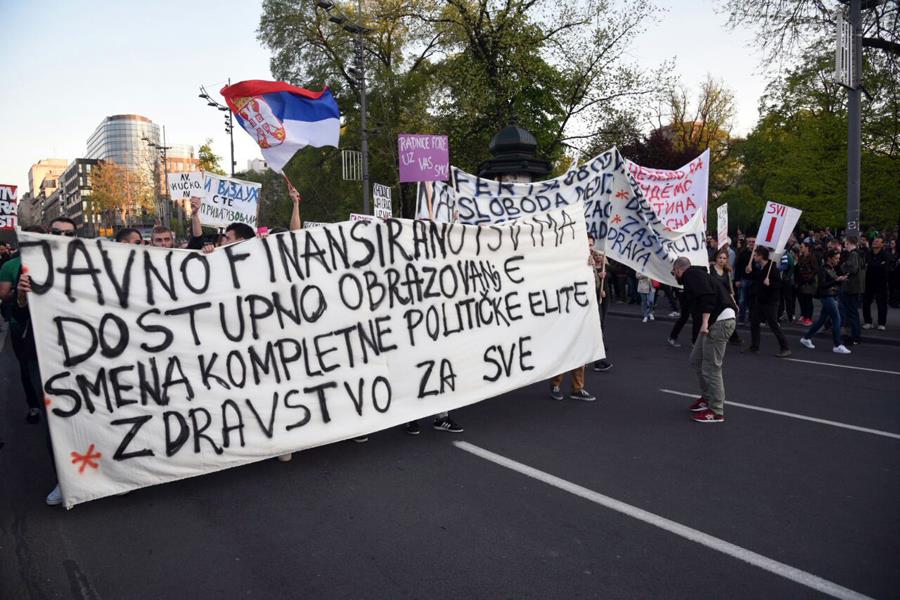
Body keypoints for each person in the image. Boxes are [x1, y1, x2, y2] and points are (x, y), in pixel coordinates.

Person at [5, 217, 78, 505]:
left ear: (75, 237)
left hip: (88, 359)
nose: (61, 236)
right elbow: (18, 317)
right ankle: (65, 479)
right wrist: (22, 298)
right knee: (57, 422)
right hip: (48, 359)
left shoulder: (91, 265)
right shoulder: (29, 269)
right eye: (56, 232)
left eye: (68, 233)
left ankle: (96, 475)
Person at [672, 256, 737, 424]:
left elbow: (708, 297)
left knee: (711, 367)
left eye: (674, 273)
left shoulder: (691, 275)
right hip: (717, 321)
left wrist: (705, 323)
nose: (674, 276)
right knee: (696, 360)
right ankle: (707, 397)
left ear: (679, 269)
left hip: (718, 322)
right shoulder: (697, 275)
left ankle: (716, 411)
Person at [800, 250, 851, 354]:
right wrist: (837, 280)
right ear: (829, 258)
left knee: (822, 320)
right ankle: (837, 345)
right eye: (836, 258)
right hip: (826, 297)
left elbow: (832, 282)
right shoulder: (823, 269)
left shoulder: (831, 268)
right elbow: (822, 285)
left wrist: (839, 279)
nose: (838, 260)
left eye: (838, 258)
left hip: (830, 296)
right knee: (837, 318)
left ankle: (806, 338)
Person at [746, 246, 791, 357]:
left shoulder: (772, 268)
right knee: (754, 322)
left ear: (761, 256)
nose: (754, 257)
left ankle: (785, 348)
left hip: (770, 302)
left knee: (773, 324)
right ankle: (754, 346)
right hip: (760, 300)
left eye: (756, 255)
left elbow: (779, 285)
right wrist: (749, 271)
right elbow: (756, 278)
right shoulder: (761, 268)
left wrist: (769, 284)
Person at [709, 250, 742, 346]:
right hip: (713, 299)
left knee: (729, 317)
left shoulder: (727, 272)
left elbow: (730, 289)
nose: (721, 260)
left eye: (724, 258)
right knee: (712, 319)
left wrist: (734, 302)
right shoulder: (710, 269)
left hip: (724, 299)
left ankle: (731, 337)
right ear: (716, 258)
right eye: (720, 257)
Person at [590, 239, 613, 372]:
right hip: (595, 297)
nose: (598, 257)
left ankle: (599, 349)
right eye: (596, 255)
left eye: (600, 255)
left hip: (605, 298)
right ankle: (598, 359)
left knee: (601, 323)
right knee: (596, 327)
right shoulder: (589, 265)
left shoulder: (605, 266)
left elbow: (615, 275)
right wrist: (599, 288)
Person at [838, 236, 864, 345]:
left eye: (845, 243)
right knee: (852, 312)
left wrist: (843, 266)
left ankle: (855, 337)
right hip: (855, 287)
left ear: (849, 243)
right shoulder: (858, 253)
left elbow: (852, 269)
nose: (844, 245)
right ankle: (853, 336)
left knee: (852, 313)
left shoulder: (853, 254)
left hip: (852, 287)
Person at [863, 236, 889, 330]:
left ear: (882, 244)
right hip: (869, 281)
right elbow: (865, 266)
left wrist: (872, 265)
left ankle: (881, 323)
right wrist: (878, 265)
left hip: (881, 282)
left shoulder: (885, 255)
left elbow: (885, 269)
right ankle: (868, 322)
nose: (874, 242)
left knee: (881, 303)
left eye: (877, 241)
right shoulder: (868, 254)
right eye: (874, 241)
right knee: (866, 302)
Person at [795, 240, 818, 326]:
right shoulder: (801, 257)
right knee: (802, 300)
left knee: (808, 300)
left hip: (808, 282)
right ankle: (804, 316)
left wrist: (809, 278)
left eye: (802, 247)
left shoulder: (812, 257)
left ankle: (808, 318)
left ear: (807, 248)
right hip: (801, 282)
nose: (800, 248)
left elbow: (815, 269)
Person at [734, 235, 756, 323]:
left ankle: (752, 319)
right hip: (744, 279)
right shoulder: (743, 253)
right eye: (750, 242)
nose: (751, 244)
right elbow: (738, 267)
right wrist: (737, 280)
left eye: (753, 242)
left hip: (754, 280)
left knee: (753, 301)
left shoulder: (758, 254)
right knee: (742, 300)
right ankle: (741, 319)